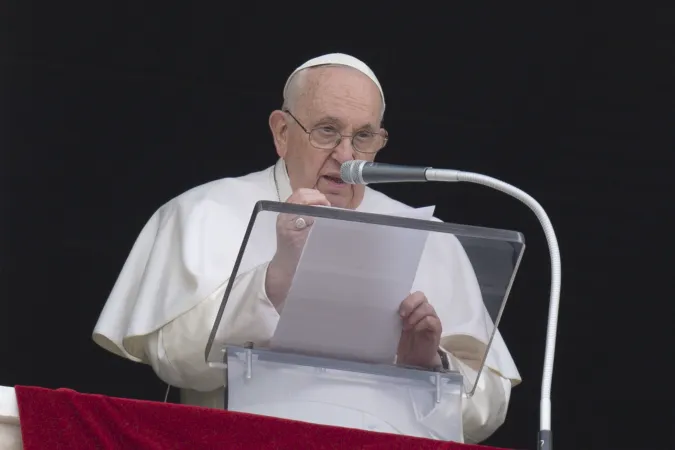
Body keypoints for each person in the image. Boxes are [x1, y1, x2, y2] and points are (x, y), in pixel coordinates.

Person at [92, 53, 521, 443]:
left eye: (364, 136)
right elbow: (175, 360)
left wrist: (429, 368)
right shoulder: (203, 211)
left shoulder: (432, 237)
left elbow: (489, 405)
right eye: (328, 131)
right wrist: (272, 284)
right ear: (281, 132)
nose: (346, 156)